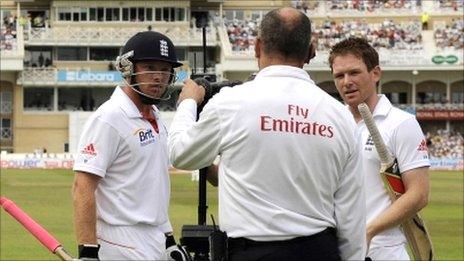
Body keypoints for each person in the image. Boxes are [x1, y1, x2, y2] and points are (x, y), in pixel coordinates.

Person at [169, 7, 365, 260]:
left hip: (250, 251)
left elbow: (180, 154)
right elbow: (351, 215)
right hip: (318, 249)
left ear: (257, 47)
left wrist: (188, 103)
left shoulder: (231, 102)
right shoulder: (340, 116)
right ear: (311, 51)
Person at [72, 31, 188, 260]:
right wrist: (87, 251)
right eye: (150, 67)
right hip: (119, 240)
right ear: (128, 69)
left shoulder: (155, 116)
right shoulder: (109, 118)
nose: (158, 77)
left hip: (154, 239)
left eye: (165, 70)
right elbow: (82, 186)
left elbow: (153, 189)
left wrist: (169, 239)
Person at [328, 37, 430, 260]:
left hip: (382, 250)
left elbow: (419, 194)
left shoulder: (401, 123)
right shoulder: (332, 123)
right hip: (336, 248)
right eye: (339, 75)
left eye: (354, 72)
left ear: (375, 73)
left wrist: (368, 231)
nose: (346, 82)